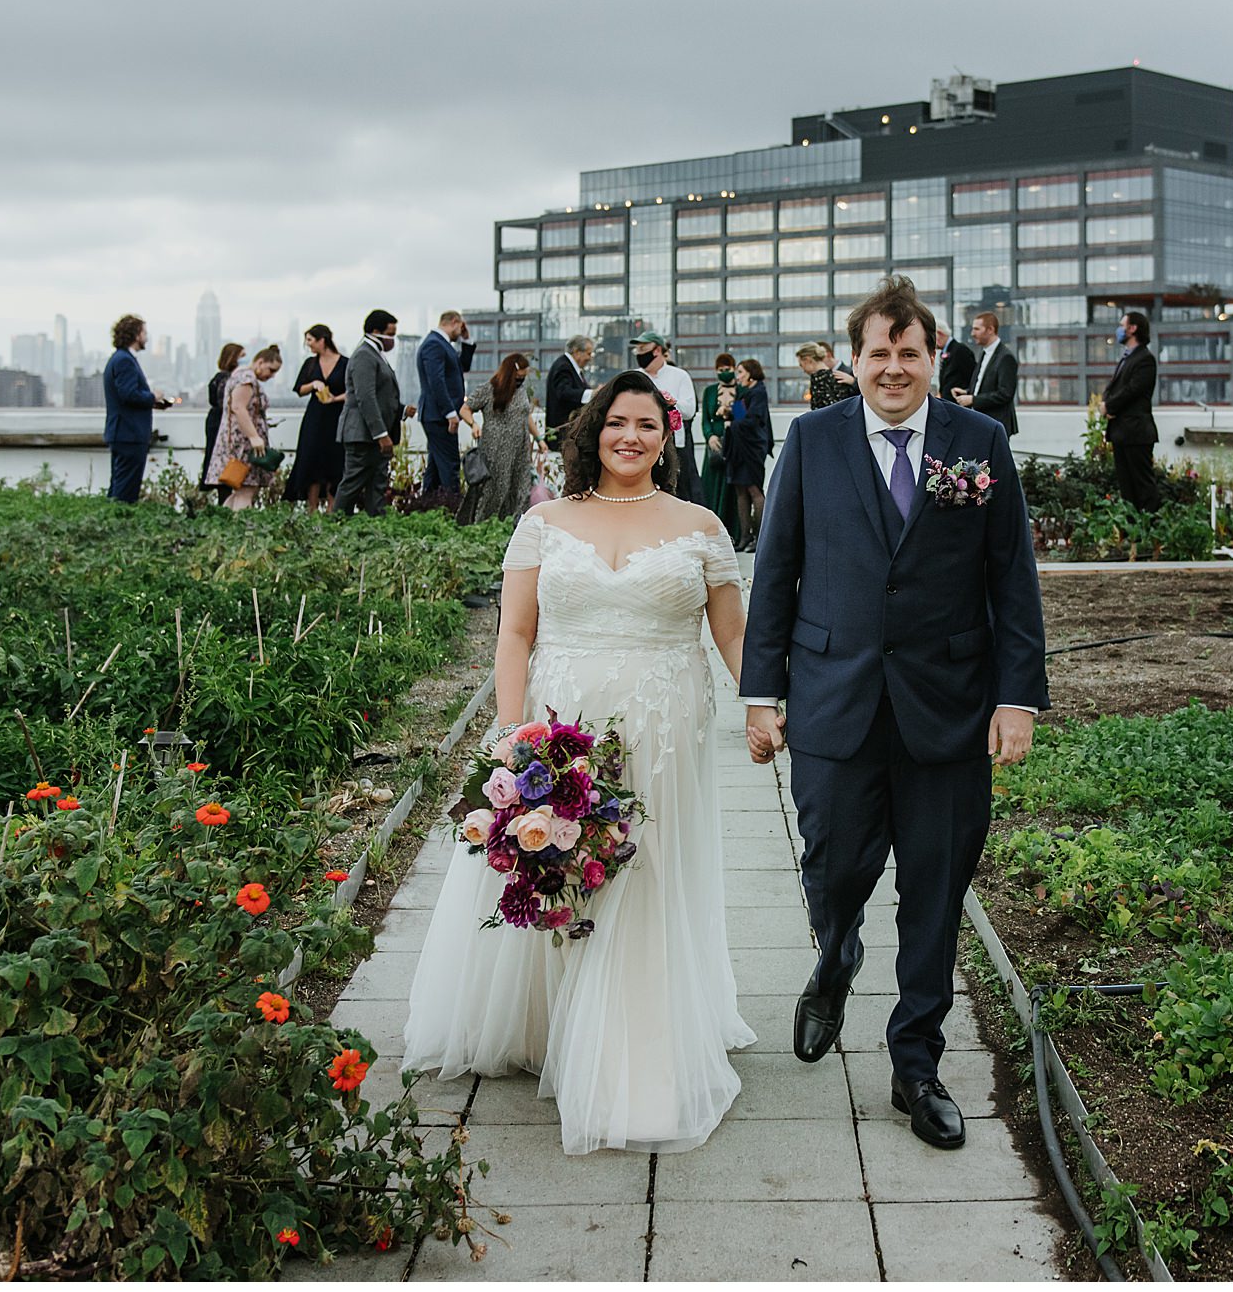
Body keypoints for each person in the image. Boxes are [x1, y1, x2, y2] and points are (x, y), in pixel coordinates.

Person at [403, 370, 757, 1155]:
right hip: (563, 723)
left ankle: (639, 1048)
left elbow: (734, 635)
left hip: (665, 724)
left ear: (667, 439)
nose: (631, 437)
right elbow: (516, 634)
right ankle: (548, 1017)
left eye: (648, 425)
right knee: (558, 862)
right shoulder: (545, 523)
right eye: (617, 422)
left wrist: (766, 703)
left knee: (645, 869)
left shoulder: (701, 525)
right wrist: (509, 728)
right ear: (593, 431)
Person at [740, 274, 1048, 1151]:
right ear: (855, 359)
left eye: (910, 353)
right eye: (879, 352)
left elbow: (1010, 579)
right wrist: (762, 695)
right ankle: (835, 952)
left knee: (935, 891)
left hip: (949, 709)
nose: (894, 367)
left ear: (932, 355)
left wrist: (1016, 698)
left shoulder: (978, 441)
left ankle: (916, 1063)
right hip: (836, 700)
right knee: (834, 869)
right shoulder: (811, 438)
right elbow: (777, 571)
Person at [454, 352, 542, 525]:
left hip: (520, 449)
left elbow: (527, 415)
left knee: (521, 487)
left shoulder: (522, 391)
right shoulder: (490, 389)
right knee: (496, 488)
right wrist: (473, 424)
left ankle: (516, 524)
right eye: (518, 377)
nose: (521, 381)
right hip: (496, 447)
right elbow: (465, 409)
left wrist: (539, 439)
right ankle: (485, 523)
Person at [335, 309, 403, 517]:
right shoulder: (364, 355)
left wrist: (400, 410)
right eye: (390, 334)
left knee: (377, 483)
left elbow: (382, 395)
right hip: (362, 434)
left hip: (371, 434)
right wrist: (381, 434)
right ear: (375, 331)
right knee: (353, 482)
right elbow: (366, 397)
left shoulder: (376, 355)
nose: (392, 340)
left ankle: (376, 523)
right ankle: (336, 521)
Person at [102, 313, 171, 503]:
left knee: (118, 487)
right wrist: (153, 396)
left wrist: (152, 403)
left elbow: (125, 395)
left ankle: (111, 523)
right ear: (136, 335)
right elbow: (129, 395)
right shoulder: (125, 360)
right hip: (129, 434)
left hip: (123, 432)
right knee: (125, 492)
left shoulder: (119, 358)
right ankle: (119, 526)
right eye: (144, 332)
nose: (146, 337)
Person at [206, 344, 284, 511]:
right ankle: (242, 531)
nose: (271, 376)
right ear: (260, 362)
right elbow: (238, 407)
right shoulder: (246, 379)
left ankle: (223, 526)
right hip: (243, 444)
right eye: (271, 370)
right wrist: (254, 437)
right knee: (247, 489)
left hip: (236, 440)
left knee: (239, 490)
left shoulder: (239, 375)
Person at [630, 330, 700, 505]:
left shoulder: (679, 375)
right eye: (637, 349)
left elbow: (690, 409)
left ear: (657, 350)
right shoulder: (633, 377)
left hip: (675, 442)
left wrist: (668, 402)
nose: (639, 353)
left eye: (643, 348)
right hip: (642, 440)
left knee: (680, 488)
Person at [1101, 310, 1162, 513]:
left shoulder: (1145, 359)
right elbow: (1117, 387)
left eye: (1122, 325)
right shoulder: (1128, 358)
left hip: (1136, 432)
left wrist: (1110, 406)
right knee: (1127, 488)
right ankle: (1132, 534)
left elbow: (1133, 390)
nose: (1119, 329)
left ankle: (1150, 531)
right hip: (1122, 432)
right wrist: (1106, 402)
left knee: (1143, 485)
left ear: (1133, 328)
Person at [286, 325, 348, 513]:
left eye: (311, 340)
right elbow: (299, 389)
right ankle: (311, 509)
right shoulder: (310, 364)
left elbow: (354, 391)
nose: (308, 345)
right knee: (311, 458)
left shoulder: (346, 363)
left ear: (323, 340)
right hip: (315, 418)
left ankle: (331, 508)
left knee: (335, 461)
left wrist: (335, 398)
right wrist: (313, 384)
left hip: (337, 416)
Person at [416, 309, 476, 495]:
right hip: (439, 415)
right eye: (461, 327)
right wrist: (450, 412)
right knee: (450, 463)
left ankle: (428, 504)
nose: (461, 331)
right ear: (454, 322)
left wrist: (466, 340)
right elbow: (437, 381)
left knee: (436, 465)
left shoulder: (442, 344)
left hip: (438, 414)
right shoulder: (434, 344)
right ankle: (452, 509)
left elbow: (462, 366)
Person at [723, 358, 773, 552]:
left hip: (751, 449)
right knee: (740, 491)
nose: (738, 376)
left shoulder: (759, 392)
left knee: (754, 490)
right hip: (739, 448)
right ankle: (745, 537)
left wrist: (731, 423)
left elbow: (752, 421)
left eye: (741, 372)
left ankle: (759, 538)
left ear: (751, 373)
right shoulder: (746, 392)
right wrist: (728, 411)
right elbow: (740, 416)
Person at [950, 311, 1019, 437]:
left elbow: (1005, 394)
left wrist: (972, 399)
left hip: (996, 425)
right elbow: (986, 384)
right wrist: (967, 392)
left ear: (990, 330)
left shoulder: (1006, 357)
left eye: (977, 329)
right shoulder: (985, 353)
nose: (972, 333)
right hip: (982, 422)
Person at [699, 352, 740, 537]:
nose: (724, 372)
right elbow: (705, 420)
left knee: (732, 489)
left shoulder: (742, 391)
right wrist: (709, 437)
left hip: (733, 444)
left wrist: (730, 419)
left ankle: (733, 531)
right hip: (714, 446)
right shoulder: (709, 391)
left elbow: (742, 418)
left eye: (728, 369)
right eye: (721, 370)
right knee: (710, 486)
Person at [200, 342, 245, 501]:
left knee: (218, 460)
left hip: (214, 420)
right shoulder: (228, 379)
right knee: (226, 462)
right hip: (222, 423)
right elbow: (225, 403)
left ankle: (223, 498)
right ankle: (226, 499)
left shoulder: (217, 378)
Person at [544, 334, 596, 451]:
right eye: (588, 353)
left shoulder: (572, 368)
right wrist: (591, 394)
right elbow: (563, 392)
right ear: (577, 351)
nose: (590, 358)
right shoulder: (563, 366)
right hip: (562, 435)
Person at [796, 341, 851, 409]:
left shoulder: (817, 379)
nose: (803, 370)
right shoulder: (838, 376)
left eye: (801, 365)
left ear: (808, 360)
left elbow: (819, 411)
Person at [934, 326, 975, 403]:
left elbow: (972, 375)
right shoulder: (945, 352)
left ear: (939, 333)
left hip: (958, 402)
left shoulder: (960, 350)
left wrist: (967, 392)